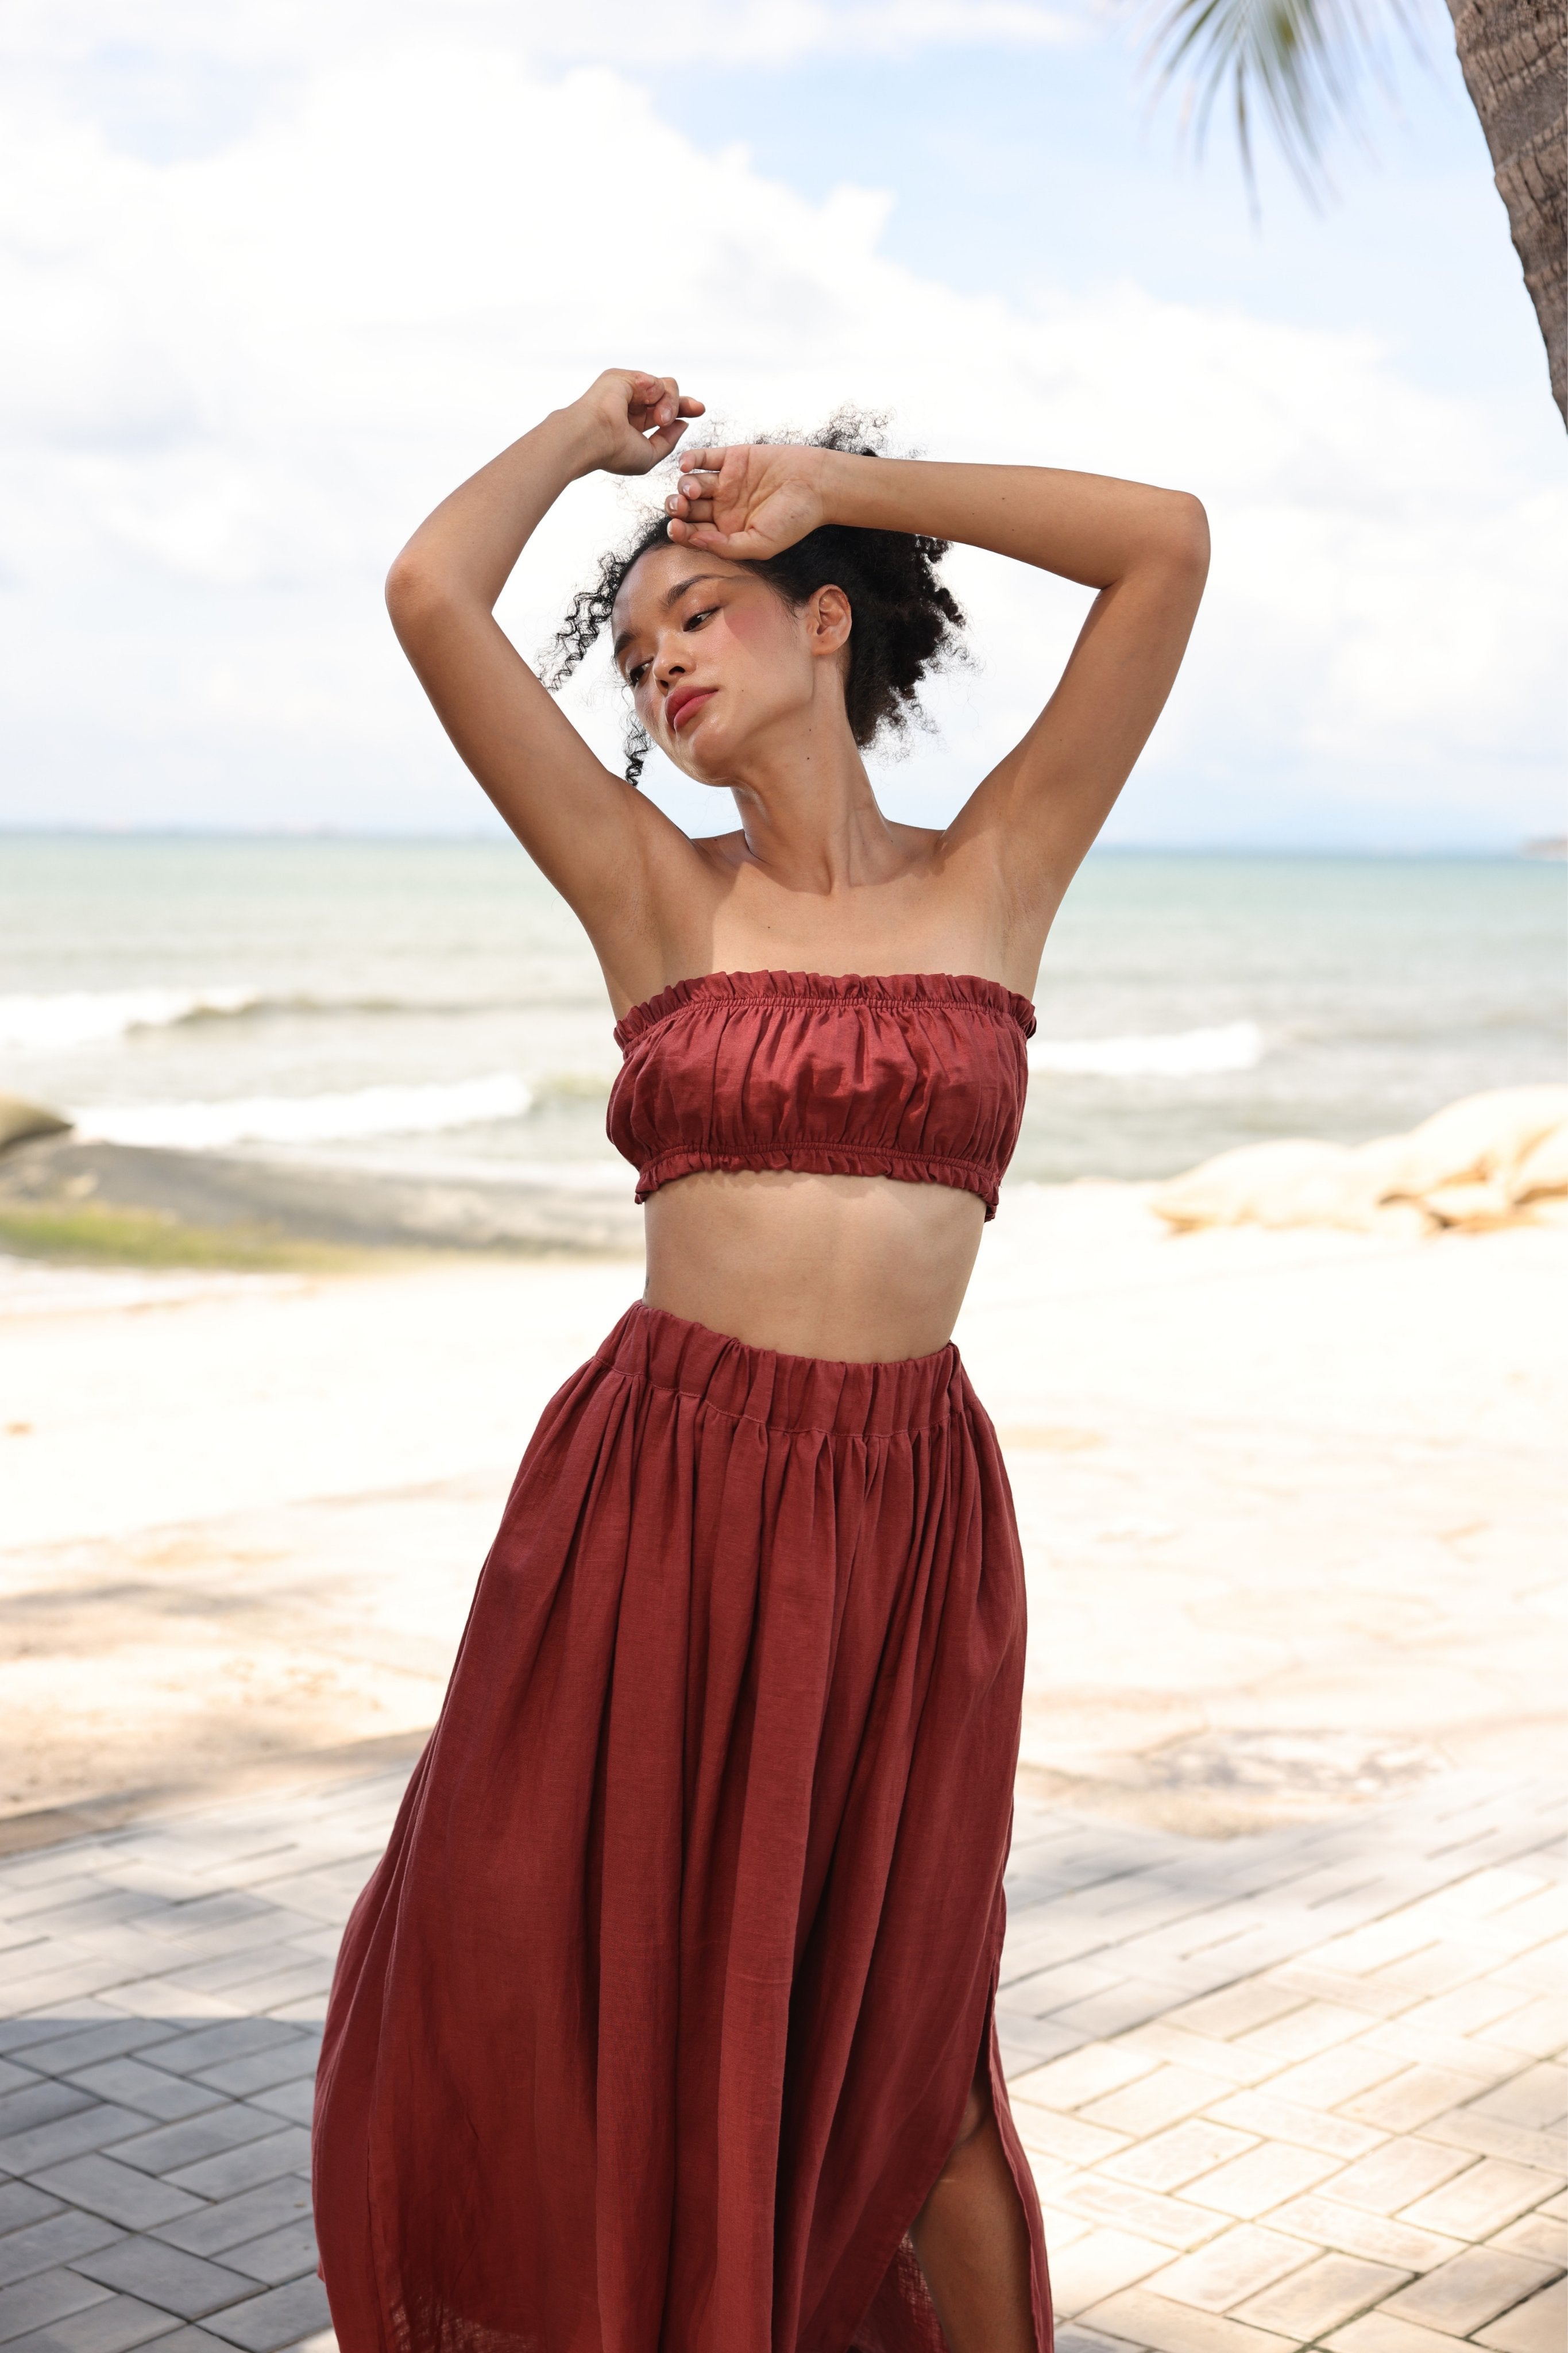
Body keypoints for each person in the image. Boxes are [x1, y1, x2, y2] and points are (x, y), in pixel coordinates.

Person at [312, 369, 1208, 2353]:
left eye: (694, 616)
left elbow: (1162, 545)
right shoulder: (654, 892)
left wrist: (829, 481)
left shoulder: (999, 869)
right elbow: (432, 594)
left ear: (821, 618)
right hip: (656, 1501)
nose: (657, 674)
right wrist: (578, 443)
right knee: (592, 2009)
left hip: (903, 1527)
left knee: (913, 2064)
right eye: (633, 658)